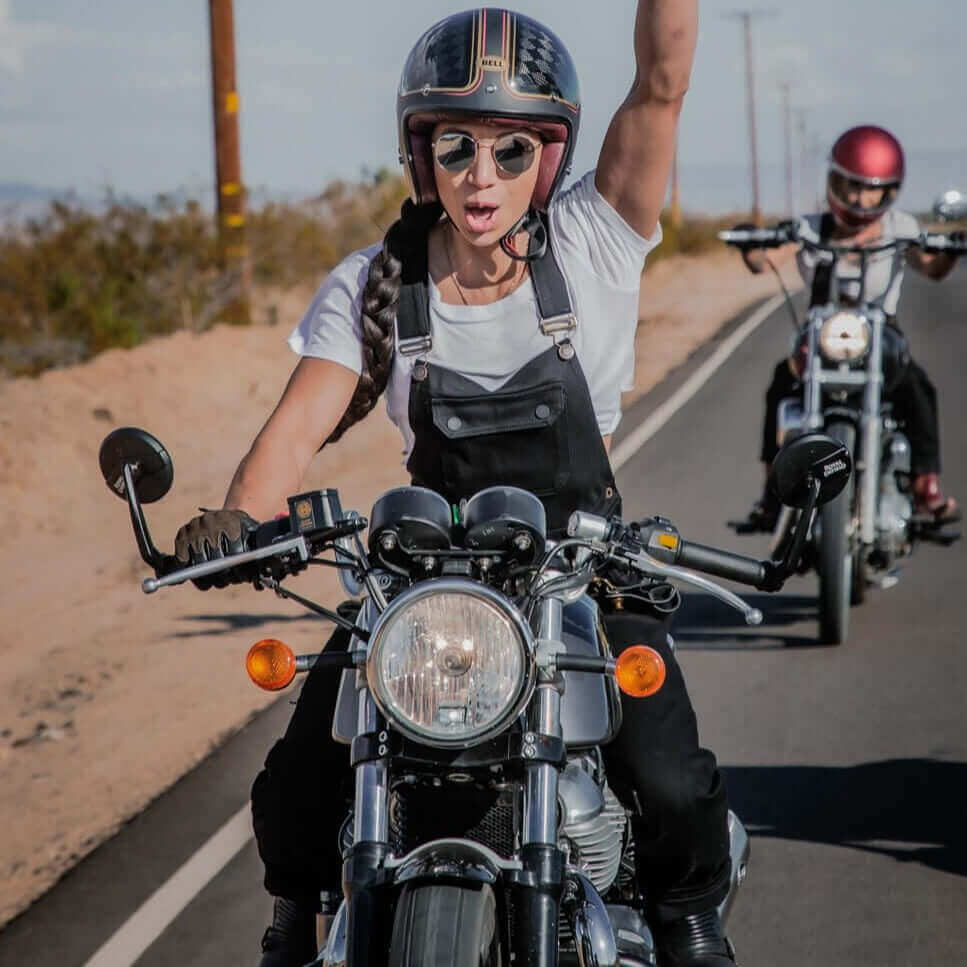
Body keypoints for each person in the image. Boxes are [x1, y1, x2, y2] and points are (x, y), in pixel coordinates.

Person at [175, 6, 740, 966]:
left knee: (671, 781)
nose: (482, 176)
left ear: (549, 158)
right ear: (421, 150)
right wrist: (240, 521)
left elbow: (661, 80)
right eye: (457, 144)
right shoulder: (377, 286)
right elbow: (293, 433)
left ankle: (688, 929)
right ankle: (292, 927)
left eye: (511, 150)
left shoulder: (594, 249)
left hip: (580, 576)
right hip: (426, 585)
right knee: (300, 783)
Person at [740, 124, 962, 531]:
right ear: (835, 181)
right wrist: (753, 246)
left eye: (871, 189)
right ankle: (771, 490)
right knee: (779, 385)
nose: (860, 198)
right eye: (851, 186)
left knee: (918, 387)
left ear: (889, 191)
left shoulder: (901, 230)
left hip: (881, 335)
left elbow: (931, 270)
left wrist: (951, 249)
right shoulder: (809, 228)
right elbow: (766, 258)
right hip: (819, 335)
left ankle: (925, 483)